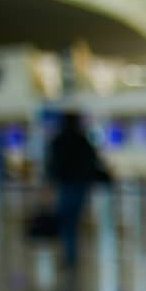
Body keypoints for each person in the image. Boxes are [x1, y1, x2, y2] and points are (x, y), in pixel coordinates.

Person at [44, 111, 104, 268]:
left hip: (65, 185)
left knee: (66, 221)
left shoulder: (60, 140)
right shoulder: (82, 140)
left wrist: (50, 183)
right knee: (72, 222)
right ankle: (70, 255)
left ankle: (68, 256)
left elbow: (52, 166)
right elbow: (93, 162)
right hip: (80, 185)